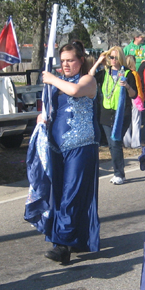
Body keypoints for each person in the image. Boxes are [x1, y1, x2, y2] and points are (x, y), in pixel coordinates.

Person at [38, 41, 100, 263]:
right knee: (58, 196)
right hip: (57, 147)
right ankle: (74, 237)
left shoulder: (88, 80)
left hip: (81, 147)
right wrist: (42, 117)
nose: (65, 65)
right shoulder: (56, 83)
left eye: (70, 60)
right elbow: (51, 107)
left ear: (81, 61)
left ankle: (62, 245)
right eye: (62, 61)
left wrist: (53, 79)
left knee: (71, 195)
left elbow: (74, 91)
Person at [91, 46, 139, 184]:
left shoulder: (128, 73)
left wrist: (127, 86)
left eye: (115, 57)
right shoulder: (105, 72)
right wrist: (98, 61)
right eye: (111, 57)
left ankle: (119, 174)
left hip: (121, 113)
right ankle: (119, 173)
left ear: (121, 58)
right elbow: (90, 76)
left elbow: (134, 94)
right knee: (112, 144)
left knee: (115, 141)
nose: (113, 60)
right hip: (106, 113)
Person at [122, 55, 145, 148]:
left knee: (127, 120)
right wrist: (140, 99)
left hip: (126, 99)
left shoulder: (123, 73)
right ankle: (135, 143)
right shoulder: (134, 73)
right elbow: (138, 88)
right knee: (136, 121)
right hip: (135, 99)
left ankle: (126, 141)